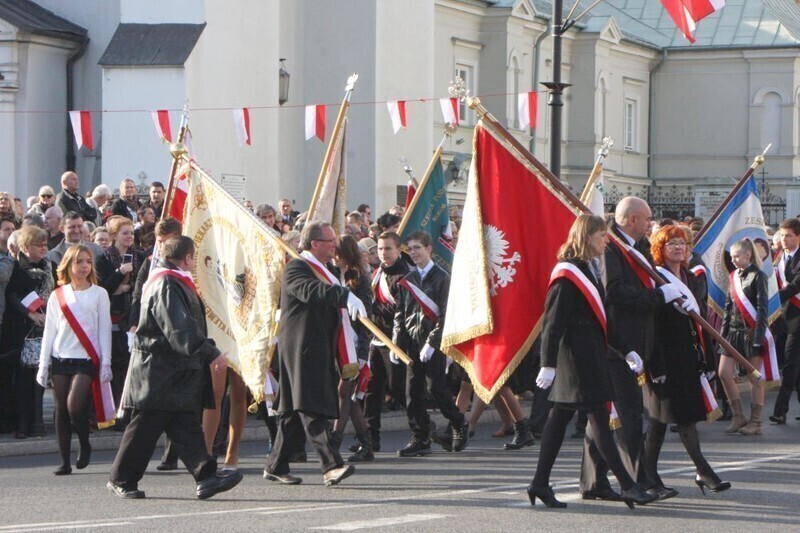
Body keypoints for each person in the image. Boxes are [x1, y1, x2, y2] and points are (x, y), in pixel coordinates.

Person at [528, 214, 655, 509]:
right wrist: (548, 363)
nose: (606, 241)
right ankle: (629, 486)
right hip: (576, 359)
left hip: (590, 355)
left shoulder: (588, 268)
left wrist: (627, 350)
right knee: (599, 418)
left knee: (559, 420)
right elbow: (553, 322)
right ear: (586, 237)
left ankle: (539, 483)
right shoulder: (568, 272)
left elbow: (603, 320)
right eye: (601, 236)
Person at [108, 236, 242, 499]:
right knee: (144, 428)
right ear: (188, 257)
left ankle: (206, 477)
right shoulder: (167, 283)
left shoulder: (172, 280)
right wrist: (210, 352)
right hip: (158, 371)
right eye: (195, 258)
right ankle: (121, 478)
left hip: (173, 371)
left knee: (186, 425)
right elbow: (178, 328)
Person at [581, 196, 683, 501]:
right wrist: (657, 297)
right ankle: (639, 480)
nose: (651, 223)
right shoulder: (611, 247)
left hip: (638, 344)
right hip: (617, 345)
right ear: (633, 219)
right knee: (627, 414)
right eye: (648, 218)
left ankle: (593, 481)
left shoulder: (638, 248)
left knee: (603, 417)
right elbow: (613, 293)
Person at [264, 221, 365, 487]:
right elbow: (311, 292)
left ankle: (275, 465)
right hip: (300, 346)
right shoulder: (297, 267)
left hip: (319, 345)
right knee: (309, 406)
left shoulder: (326, 269)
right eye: (330, 241)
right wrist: (343, 295)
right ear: (314, 244)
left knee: (290, 410)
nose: (335, 245)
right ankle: (331, 466)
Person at [642, 225, 731, 496]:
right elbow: (651, 324)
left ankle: (648, 475)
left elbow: (700, 322)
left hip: (689, 357)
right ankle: (703, 471)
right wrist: (654, 364)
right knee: (682, 419)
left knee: (660, 421)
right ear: (660, 249)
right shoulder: (655, 278)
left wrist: (707, 361)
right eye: (672, 244)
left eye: (682, 243)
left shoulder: (692, 278)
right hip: (665, 357)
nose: (679, 248)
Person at [36, 245, 112, 475]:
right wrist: (43, 364)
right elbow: (49, 330)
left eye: (87, 261)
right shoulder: (58, 295)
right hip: (61, 357)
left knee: (74, 406)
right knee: (61, 409)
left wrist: (106, 362)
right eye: (79, 262)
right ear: (68, 265)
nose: (84, 266)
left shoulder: (100, 294)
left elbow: (104, 330)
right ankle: (64, 461)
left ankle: (85, 442)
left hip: (86, 358)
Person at [393, 230, 469, 456]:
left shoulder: (443, 278)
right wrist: (397, 341)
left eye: (417, 247)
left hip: (433, 343)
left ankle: (458, 422)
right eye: (410, 248)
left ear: (429, 249)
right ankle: (420, 436)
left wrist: (432, 342)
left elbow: (446, 314)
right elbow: (401, 313)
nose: (413, 252)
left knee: (436, 389)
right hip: (412, 344)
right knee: (411, 392)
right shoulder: (407, 280)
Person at [2, 226, 56, 438]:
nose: (44, 248)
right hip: (22, 331)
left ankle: (38, 421)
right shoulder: (16, 267)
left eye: (45, 244)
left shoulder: (51, 266)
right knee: (24, 381)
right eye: (38, 245)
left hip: (46, 327)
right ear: (25, 247)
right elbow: (12, 295)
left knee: (40, 378)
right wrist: (30, 314)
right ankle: (24, 423)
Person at [361, 232, 409, 455]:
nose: (383, 253)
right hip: (376, 339)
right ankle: (370, 439)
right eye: (380, 249)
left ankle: (423, 430)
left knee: (399, 390)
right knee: (371, 390)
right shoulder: (378, 272)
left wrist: (371, 307)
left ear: (399, 250)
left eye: (388, 249)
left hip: (396, 341)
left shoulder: (403, 275)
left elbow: (400, 308)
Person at [330, 235, 373, 462]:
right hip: (339, 341)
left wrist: (364, 354)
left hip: (355, 344)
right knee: (351, 398)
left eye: (338, 252)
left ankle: (334, 442)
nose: (334, 256)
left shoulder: (360, 279)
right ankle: (366, 445)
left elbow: (367, 320)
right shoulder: (332, 273)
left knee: (344, 392)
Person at [95, 215, 144, 412]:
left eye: (132, 233)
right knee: (116, 366)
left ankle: (129, 409)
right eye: (125, 233)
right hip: (112, 317)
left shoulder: (139, 257)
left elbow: (140, 286)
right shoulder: (103, 259)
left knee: (131, 368)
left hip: (132, 315)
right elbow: (102, 289)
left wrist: (124, 288)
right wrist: (119, 273)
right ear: (114, 235)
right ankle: (114, 409)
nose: (129, 237)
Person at [719, 239, 768, 435]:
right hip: (732, 331)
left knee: (753, 377)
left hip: (750, 333)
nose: (733, 260)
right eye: (731, 257)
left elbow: (762, 309)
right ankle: (738, 416)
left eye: (736, 256)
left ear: (748, 255)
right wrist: (722, 335)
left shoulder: (758, 276)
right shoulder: (733, 276)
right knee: (724, 373)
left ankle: (755, 422)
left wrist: (758, 338)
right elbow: (728, 307)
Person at [770, 218, 800, 425]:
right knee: (795, 364)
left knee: (789, 362)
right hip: (787, 315)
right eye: (781, 235)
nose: (784, 239)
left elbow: (796, 285)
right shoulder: (779, 257)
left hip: (798, 316)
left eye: (789, 235)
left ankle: (780, 410)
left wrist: (774, 298)